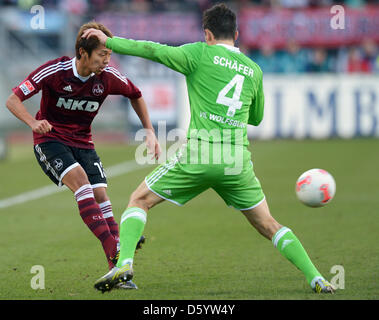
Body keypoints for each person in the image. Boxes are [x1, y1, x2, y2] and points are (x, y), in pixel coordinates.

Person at [84, 3, 335, 294]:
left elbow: (151, 50)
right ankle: (316, 277)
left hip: (200, 155)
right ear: (237, 34)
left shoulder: (198, 53)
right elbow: (256, 118)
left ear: (208, 34)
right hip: (236, 161)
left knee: (139, 199)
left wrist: (109, 42)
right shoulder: (253, 70)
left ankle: (124, 263)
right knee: (268, 224)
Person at [6, 21, 160, 289]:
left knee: (101, 195)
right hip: (50, 139)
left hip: (83, 142)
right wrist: (33, 123)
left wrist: (149, 130)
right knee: (82, 184)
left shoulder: (109, 77)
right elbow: (13, 99)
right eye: (102, 54)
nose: (107, 60)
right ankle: (117, 250)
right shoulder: (55, 71)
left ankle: (118, 271)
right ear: (82, 52)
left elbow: (136, 94)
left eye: (109, 55)